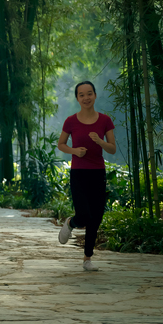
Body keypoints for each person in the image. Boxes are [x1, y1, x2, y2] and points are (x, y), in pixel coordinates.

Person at [57, 80, 116, 271]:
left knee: (96, 218)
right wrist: (74, 151)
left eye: (89, 93)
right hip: (79, 173)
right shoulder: (71, 121)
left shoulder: (105, 120)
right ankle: (71, 222)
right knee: (84, 214)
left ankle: (87, 259)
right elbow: (61, 144)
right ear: (77, 98)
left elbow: (112, 148)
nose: (86, 98)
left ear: (95, 95)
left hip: (98, 173)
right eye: (81, 95)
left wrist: (99, 141)